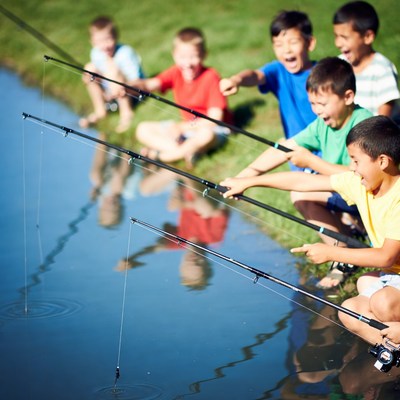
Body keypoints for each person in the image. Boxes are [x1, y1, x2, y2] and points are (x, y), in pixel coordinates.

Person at [221, 115, 400, 346]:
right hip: (393, 275)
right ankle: (392, 350)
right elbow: (302, 182)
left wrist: (331, 253)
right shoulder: (360, 185)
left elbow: (386, 256)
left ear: (383, 161)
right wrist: (249, 182)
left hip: (391, 274)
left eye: (356, 161)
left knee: (382, 303)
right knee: (349, 311)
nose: (352, 168)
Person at [222, 57, 372, 288]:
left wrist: (312, 161)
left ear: (348, 97)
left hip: (368, 194)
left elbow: (357, 176)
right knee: (301, 194)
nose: (317, 110)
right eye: (313, 104)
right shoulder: (323, 124)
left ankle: (346, 250)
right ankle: (344, 250)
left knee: (301, 192)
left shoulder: (365, 125)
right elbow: (286, 148)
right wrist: (244, 176)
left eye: (322, 104)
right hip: (346, 192)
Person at [134, 27, 232, 168]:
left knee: (206, 136)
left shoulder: (211, 76)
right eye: (182, 57)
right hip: (186, 131)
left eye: (193, 57)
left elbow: (214, 120)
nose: (187, 63)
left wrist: (180, 128)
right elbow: (149, 84)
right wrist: (128, 86)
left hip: (213, 130)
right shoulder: (175, 72)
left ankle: (159, 156)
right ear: (174, 55)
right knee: (142, 129)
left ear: (204, 55)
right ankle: (186, 151)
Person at [219, 10, 317, 151]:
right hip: (296, 153)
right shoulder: (278, 70)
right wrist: (236, 80)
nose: (286, 50)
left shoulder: (325, 73)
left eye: (293, 42)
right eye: (279, 44)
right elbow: (255, 75)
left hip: (326, 153)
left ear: (310, 43)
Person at [333, 1, 400, 117]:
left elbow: (383, 120)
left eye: (344, 37)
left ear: (367, 37)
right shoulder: (339, 65)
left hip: (377, 132)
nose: (338, 43)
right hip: (352, 132)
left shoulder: (382, 69)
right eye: (336, 36)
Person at [79, 16, 145, 133]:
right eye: (99, 42)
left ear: (115, 37)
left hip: (134, 94)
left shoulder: (125, 53)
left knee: (112, 69)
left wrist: (117, 87)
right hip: (111, 93)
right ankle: (100, 110)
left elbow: (135, 80)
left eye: (108, 39)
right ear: (92, 42)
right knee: (89, 69)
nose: (105, 45)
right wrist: (107, 91)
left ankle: (126, 114)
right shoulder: (95, 53)